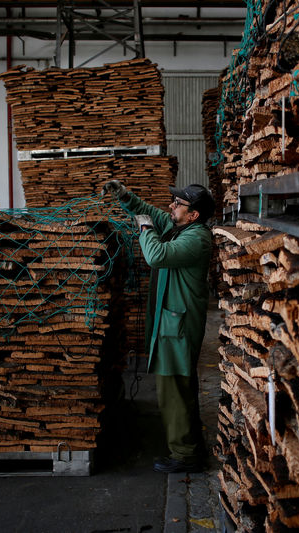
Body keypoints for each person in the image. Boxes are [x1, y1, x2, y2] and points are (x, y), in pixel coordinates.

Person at [102, 179, 215, 473]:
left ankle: (185, 455)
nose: (171, 206)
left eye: (178, 204)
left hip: (179, 327)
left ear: (194, 215)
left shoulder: (197, 238)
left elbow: (156, 255)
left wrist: (145, 229)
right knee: (178, 388)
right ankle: (189, 447)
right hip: (170, 323)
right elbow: (146, 210)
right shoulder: (179, 227)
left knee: (174, 391)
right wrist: (125, 196)